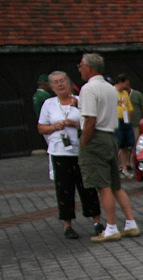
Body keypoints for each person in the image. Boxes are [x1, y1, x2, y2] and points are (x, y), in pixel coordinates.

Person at [76, 53, 142, 244]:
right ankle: (130, 223)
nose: (79, 69)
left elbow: (90, 119)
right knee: (115, 184)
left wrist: (84, 142)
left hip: (96, 137)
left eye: (80, 66)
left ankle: (111, 227)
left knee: (102, 186)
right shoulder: (110, 88)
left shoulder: (88, 88)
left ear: (89, 67)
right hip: (110, 136)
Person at [37, 71, 103, 240]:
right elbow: (41, 127)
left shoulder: (79, 101)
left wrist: (74, 123)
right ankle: (68, 225)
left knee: (87, 187)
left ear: (68, 83)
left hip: (80, 150)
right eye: (56, 82)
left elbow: (91, 122)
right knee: (64, 189)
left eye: (62, 81)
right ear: (52, 87)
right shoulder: (49, 104)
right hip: (59, 151)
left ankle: (97, 221)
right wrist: (54, 127)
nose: (60, 85)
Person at [115, 74, 143, 178]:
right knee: (117, 144)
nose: (127, 86)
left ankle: (125, 168)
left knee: (127, 145)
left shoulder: (125, 93)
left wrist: (129, 122)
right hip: (117, 120)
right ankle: (116, 166)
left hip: (126, 122)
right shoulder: (112, 92)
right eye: (125, 83)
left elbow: (129, 108)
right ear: (121, 82)